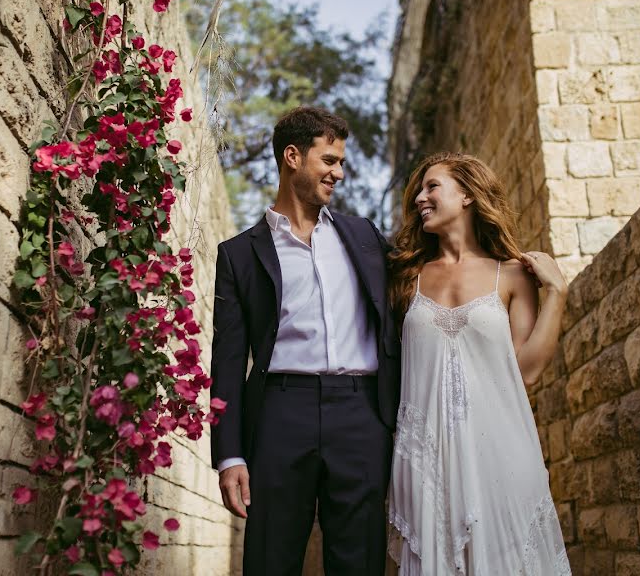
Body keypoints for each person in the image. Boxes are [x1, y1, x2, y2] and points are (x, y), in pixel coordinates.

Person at [209, 106, 401, 575]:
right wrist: (229, 455)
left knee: (360, 561)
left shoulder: (365, 237)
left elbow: (424, 283)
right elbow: (229, 360)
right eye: (329, 160)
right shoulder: (238, 255)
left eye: (340, 162)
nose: (338, 173)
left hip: (361, 414)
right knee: (270, 559)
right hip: (279, 413)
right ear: (292, 157)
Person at [386, 151, 571, 575]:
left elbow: (527, 369)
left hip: (501, 450)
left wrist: (557, 294)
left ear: (467, 194)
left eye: (432, 186)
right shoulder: (404, 277)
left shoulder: (512, 274)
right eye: (418, 189)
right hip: (425, 459)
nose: (419, 198)